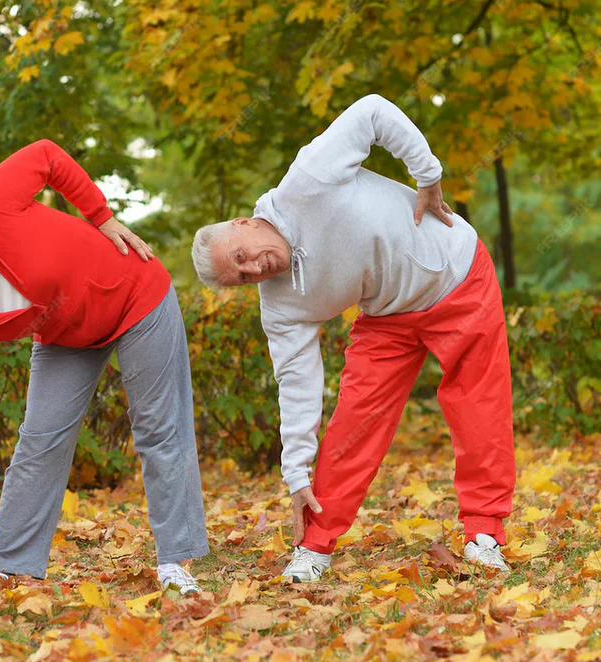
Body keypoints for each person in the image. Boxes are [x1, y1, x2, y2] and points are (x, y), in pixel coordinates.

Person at [190, 94, 516, 582]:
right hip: (387, 316)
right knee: (353, 423)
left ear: (243, 224)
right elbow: (296, 384)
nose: (256, 269)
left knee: (477, 404)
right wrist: (296, 474)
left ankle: (484, 534)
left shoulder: (307, 180)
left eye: (242, 257)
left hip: (457, 275)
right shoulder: (280, 306)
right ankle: (315, 546)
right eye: (242, 278)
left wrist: (427, 175)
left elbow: (372, 111)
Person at [0, 139, 209, 592]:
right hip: (68, 334)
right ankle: (11, 567)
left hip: (136, 294)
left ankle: (176, 560)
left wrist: (101, 215)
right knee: (39, 441)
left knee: (157, 428)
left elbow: (47, 155)